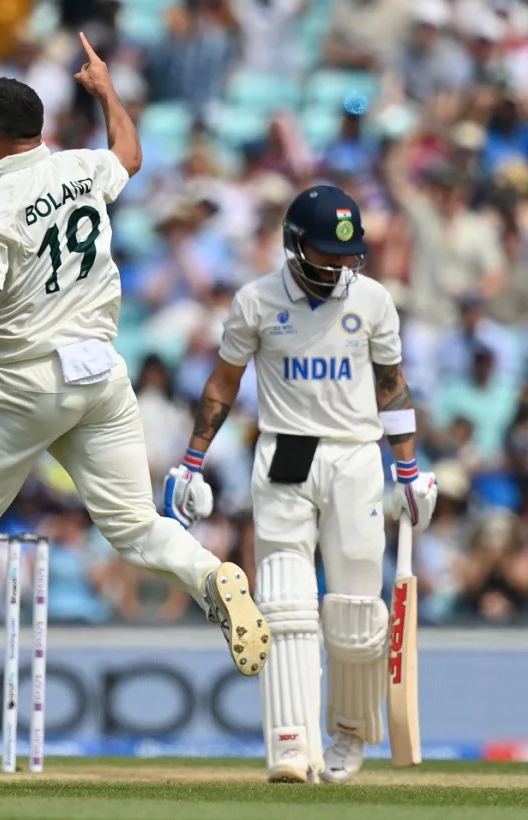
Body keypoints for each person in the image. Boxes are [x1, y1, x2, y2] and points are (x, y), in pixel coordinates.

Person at [0, 37, 270, 745]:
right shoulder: (81, 167)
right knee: (133, 527)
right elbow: (130, 154)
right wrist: (104, 92)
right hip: (101, 377)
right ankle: (212, 575)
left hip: (26, 384)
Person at [164, 185, 438, 783]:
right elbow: (222, 383)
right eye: (326, 254)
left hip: (356, 457)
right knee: (285, 603)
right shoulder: (256, 302)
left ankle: (348, 735)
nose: (340, 266)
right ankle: (291, 743)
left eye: (348, 256)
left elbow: (392, 386)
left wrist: (410, 471)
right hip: (285, 451)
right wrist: (191, 460)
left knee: (358, 612)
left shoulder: (373, 300)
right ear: (294, 246)